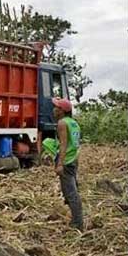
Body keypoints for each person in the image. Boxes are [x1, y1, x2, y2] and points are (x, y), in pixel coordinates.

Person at [51, 98, 84, 231]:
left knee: (70, 193)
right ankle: (75, 219)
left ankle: (77, 223)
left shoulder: (62, 123)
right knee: (70, 190)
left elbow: (64, 144)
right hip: (73, 159)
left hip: (66, 161)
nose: (54, 109)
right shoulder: (74, 123)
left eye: (56, 107)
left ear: (62, 111)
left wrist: (60, 164)